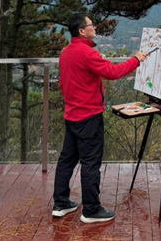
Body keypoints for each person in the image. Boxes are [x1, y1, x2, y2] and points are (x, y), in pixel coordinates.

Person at [52, 13, 148, 223]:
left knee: (67, 160)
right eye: (91, 25)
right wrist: (136, 60)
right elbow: (112, 72)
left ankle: (61, 203)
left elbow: (62, 83)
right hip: (88, 117)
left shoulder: (66, 52)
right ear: (81, 31)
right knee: (90, 163)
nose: (94, 27)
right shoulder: (86, 53)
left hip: (72, 115)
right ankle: (91, 210)